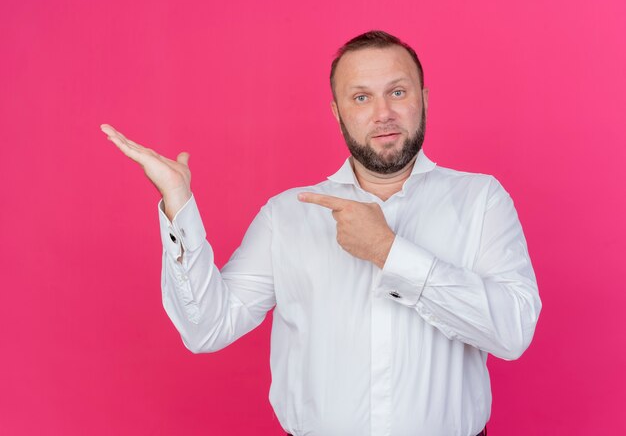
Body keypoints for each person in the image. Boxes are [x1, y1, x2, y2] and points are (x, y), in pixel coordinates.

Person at [102, 30, 541, 436]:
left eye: (398, 92)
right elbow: (207, 327)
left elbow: (513, 331)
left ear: (423, 98)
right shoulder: (287, 215)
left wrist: (390, 252)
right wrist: (178, 202)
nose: (383, 112)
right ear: (338, 111)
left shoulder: (481, 199)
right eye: (362, 97)